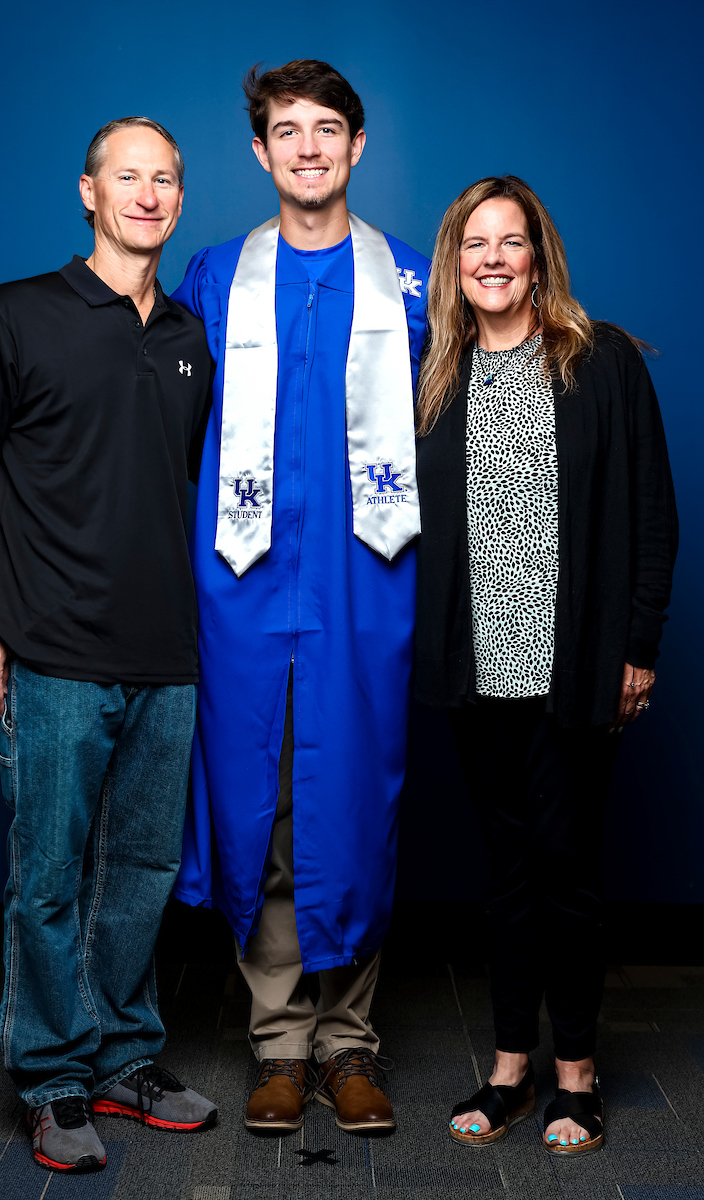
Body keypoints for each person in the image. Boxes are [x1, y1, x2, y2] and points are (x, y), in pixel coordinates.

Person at [0, 117, 217, 1173]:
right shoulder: (14, 314)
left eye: (165, 180)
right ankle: (54, 1081)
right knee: (49, 875)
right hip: (48, 650)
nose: (147, 194)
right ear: (88, 194)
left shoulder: (187, 337)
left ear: (179, 201)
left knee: (140, 869)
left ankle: (122, 1059)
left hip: (167, 657)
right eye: (126, 177)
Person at [172, 60, 429, 1135]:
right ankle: (277, 1042)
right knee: (258, 798)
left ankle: (349, 1044)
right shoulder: (214, 276)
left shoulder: (414, 283)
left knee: (355, 799)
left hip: (366, 583)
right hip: (242, 582)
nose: (310, 148)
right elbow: (159, 432)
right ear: (260, 152)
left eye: (329, 129)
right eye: (288, 131)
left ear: (357, 146)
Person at [414, 175, 677, 1156]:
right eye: (471, 243)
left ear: (536, 256)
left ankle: (575, 1075)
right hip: (474, 673)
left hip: (571, 669)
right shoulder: (433, 376)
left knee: (565, 870)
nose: (489, 258)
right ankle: (509, 1070)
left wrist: (636, 649)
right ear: (452, 263)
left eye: (508, 241)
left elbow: (651, 511)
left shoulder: (597, 360)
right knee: (503, 875)